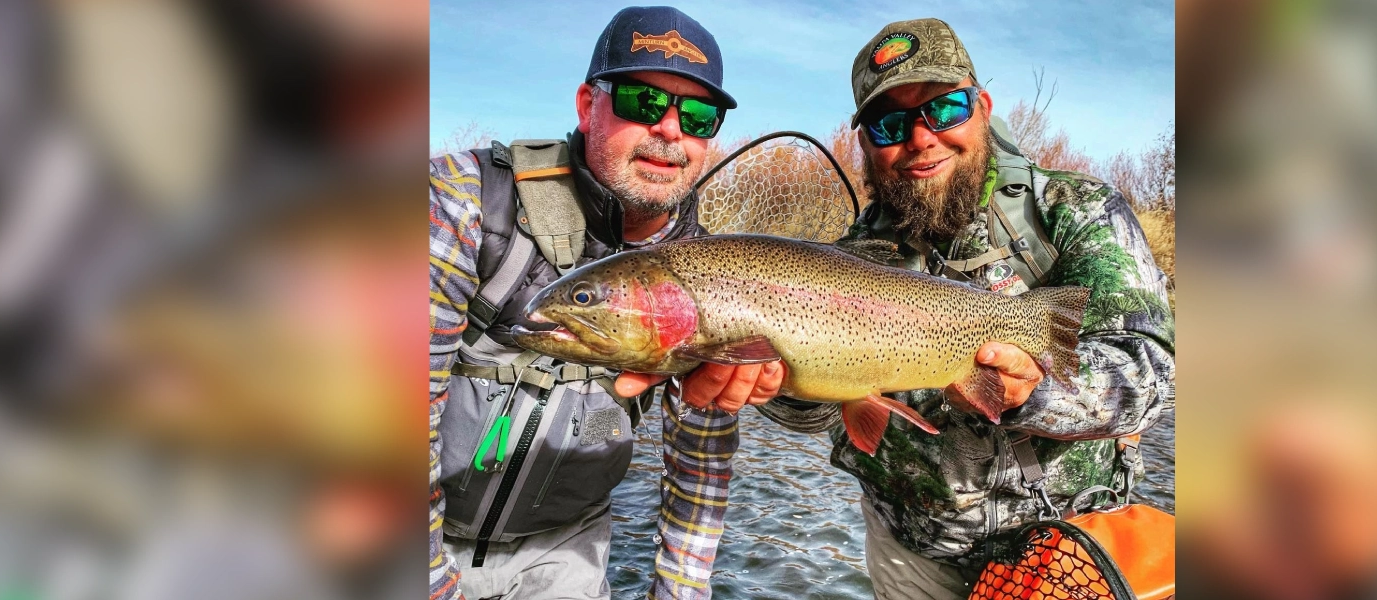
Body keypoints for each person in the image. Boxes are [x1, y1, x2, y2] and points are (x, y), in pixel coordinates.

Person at [753, 18, 1175, 599]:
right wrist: (772, 384)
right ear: (867, 142)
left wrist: (1038, 390)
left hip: (1068, 553)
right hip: (911, 552)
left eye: (944, 109)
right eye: (889, 123)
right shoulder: (846, 263)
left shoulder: (1077, 212)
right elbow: (825, 414)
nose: (921, 137)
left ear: (982, 106)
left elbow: (1155, 375)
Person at [428, 7, 780, 600]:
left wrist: (678, 592)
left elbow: (699, 468)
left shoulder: (722, 279)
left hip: (566, 551)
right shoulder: (461, 205)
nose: (671, 130)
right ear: (587, 104)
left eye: (697, 115)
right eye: (643, 102)